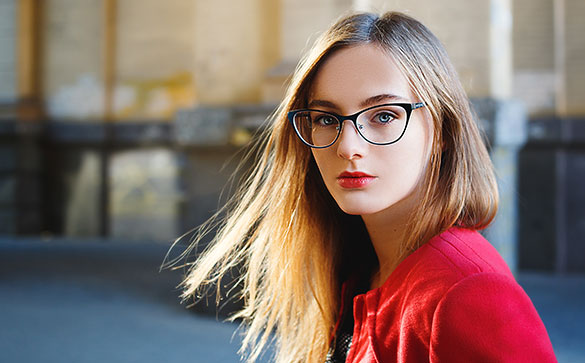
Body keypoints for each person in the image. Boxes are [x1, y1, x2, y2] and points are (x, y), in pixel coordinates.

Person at [180, 11, 556, 363]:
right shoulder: (359, 266)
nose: (347, 146)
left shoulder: (469, 291)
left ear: (442, 129)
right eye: (327, 118)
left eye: (384, 115)